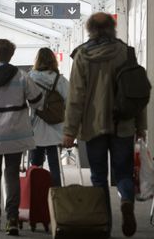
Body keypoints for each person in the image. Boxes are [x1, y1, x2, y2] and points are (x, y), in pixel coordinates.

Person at [62, 12, 147, 238]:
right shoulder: (125, 52)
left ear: (90, 29)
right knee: (124, 173)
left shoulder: (82, 55)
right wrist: (142, 125)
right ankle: (126, 201)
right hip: (124, 124)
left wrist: (70, 131)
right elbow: (136, 90)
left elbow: (76, 96)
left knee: (98, 177)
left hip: (92, 126)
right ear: (112, 27)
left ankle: (105, 225)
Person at [0, 39, 43, 236]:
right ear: (10, 55)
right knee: (11, 174)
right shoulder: (21, 76)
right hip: (16, 134)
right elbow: (38, 100)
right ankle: (12, 219)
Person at [28, 48, 69, 187]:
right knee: (55, 167)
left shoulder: (30, 78)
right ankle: (56, 197)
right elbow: (70, 101)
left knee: (35, 166)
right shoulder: (60, 80)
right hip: (56, 128)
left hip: (35, 128)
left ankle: (36, 196)